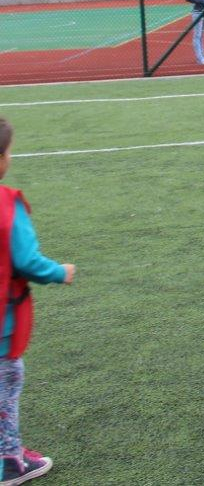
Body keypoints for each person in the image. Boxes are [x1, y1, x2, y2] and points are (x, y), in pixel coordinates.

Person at [0, 118, 75, 485]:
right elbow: (26, 260)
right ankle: (9, 462)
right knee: (5, 389)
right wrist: (59, 272)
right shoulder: (6, 206)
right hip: (2, 327)